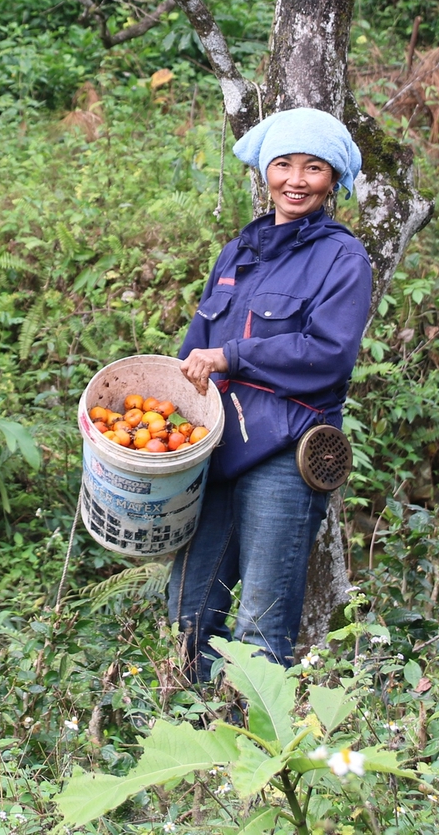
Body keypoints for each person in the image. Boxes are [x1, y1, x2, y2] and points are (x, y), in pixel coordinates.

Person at [169, 107, 374, 681]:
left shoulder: (343, 258)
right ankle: (193, 733)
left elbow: (328, 353)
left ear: (334, 179)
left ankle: (257, 737)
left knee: (259, 626)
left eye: (314, 167)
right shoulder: (238, 250)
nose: (296, 180)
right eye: (283, 164)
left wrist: (233, 356)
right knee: (187, 614)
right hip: (216, 451)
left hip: (283, 455)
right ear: (265, 170)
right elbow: (196, 349)